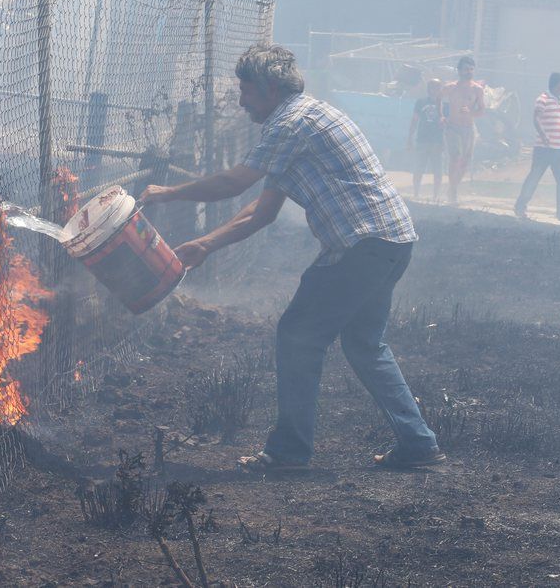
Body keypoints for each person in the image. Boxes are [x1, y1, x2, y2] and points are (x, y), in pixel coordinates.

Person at [140, 44, 442, 470]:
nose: (241, 101)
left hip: (361, 246)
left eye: (246, 91)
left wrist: (167, 193)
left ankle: (288, 452)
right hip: (391, 241)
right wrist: (206, 244)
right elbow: (262, 212)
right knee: (364, 345)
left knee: (298, 336)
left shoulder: (291, 123)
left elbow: (233, 184)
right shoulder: (307, 118)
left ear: (270, 88)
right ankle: (417, 442)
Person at [514, 73, 560, 220]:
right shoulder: (543, 99)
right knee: (534, 178)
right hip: (544, 149)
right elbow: (536, 119)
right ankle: (520, 207)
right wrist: (543, 135)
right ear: (557, 84)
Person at [442, 56, 485, 206]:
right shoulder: (451, 87)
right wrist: (442, 116)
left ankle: (453, 187)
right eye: (466, 69)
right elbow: (438, 98)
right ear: (459, 70)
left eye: (471, 69)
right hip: (453, 127)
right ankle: (452, 190)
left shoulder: (477, 89)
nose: (469, 72)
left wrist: (471, 113)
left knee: (465, 161)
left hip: (468, 128)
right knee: (455, 157)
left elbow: (481, 111)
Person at [408, 79, 446, 201]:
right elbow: (414, 120)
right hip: (422, 140)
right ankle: (416, 193)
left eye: (438, 87)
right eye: (433, 87)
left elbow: (448, 124)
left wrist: (446, 141)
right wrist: (410, 138)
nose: (436, 90)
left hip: (438, 141)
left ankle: (435, 195)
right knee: (419, 168)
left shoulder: (445, 105)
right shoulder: (421, 102)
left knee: (437, 170)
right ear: (429, 89)